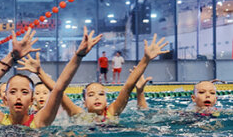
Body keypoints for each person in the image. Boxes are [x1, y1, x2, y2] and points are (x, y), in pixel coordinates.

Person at [31, 34, 168, 122]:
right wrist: (39, 72)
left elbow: (127, 87)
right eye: (91, 95)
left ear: (106, 100)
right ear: (84, 103)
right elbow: (57, 91)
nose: (97, 98)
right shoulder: (79, 114)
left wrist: (146, 59)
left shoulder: (112, 112)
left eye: (101, 94)